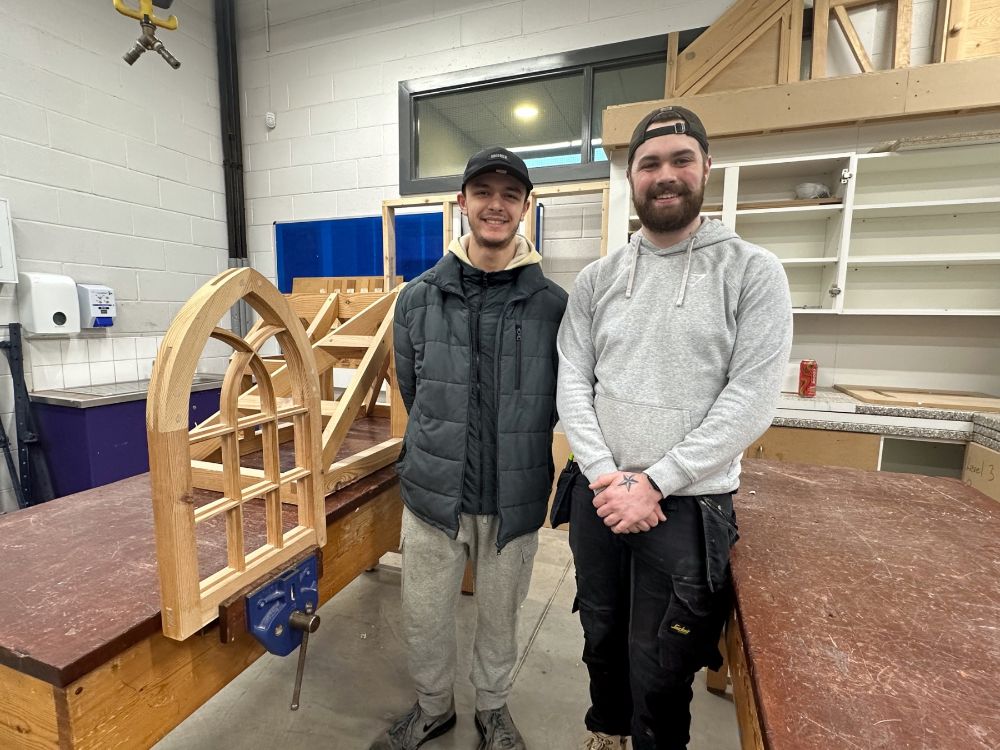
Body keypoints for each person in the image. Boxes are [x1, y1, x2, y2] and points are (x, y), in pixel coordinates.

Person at [554, 106, 793, 749]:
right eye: (650, 163)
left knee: (664, 663)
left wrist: (655, 481)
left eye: (681, 159)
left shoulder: (752, 272)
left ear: (706, 167)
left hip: (688, 504)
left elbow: (750, 398)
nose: (666, 175)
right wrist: (607, 477)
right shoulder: (597, 281)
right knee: (601, 635)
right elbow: (573, 383)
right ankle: (606, 733)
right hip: (599, 496)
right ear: (631, 177)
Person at [371, 146, 568, 750]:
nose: (496, 205)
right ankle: (433, 709)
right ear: (462, 202)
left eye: (510, 195)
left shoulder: (554, 306)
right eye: (484, 192)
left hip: (515, 493)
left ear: (526, 208)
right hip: (435, 492)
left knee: (500, 618)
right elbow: (413, 384)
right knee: (425, 617)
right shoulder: (417, 299)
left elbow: (562, 399)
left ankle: (492, 711)